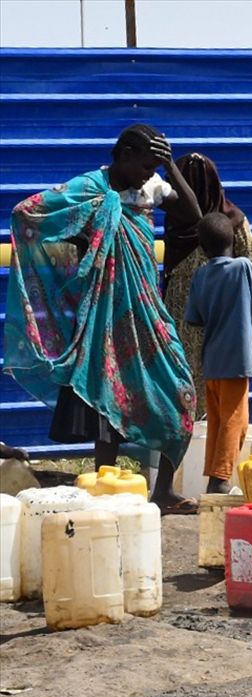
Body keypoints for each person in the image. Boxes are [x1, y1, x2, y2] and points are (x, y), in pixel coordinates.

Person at [5, 124, 202, 513]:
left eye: (154, 166)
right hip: (104, 311)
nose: (149, 172)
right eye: (145, 164)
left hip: (146, 308)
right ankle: (104, 491)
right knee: (106, 396)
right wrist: (80, 241)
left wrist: (169, 166)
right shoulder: (91, 189)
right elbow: (26, 214)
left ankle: (162, 491)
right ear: (124, 155)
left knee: (181, 391)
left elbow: (193, 214)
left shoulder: (153, 188)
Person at [163, 152, 252, 419]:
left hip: (219, 327)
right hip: (184, 327)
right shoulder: (176, 223)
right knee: (185, 392)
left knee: (217, 401)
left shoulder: (233, 223)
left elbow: (251, 273)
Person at [184, 213, 252, 494]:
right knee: (236, 421)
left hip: (211, 361)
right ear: (233, 241)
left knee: (218, 422)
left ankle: (213, 476)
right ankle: (221, 479)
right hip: (237, 360)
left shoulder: (200, 274)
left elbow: (193, 318)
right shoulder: (244, 268)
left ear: (202, 249)